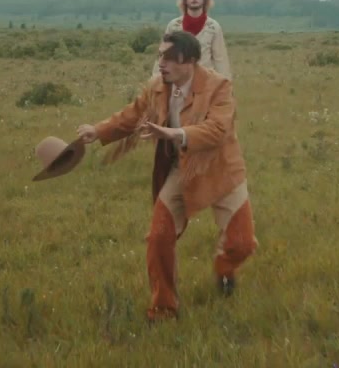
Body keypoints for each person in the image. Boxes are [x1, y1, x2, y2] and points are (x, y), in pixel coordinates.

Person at [77, 30, 256, 322]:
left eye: (170, 57)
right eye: (160, 55)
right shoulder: (157, 87)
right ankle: (163, 308)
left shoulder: (219, 86)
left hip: (221, 170)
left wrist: (175, 134)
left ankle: (224, 267)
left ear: (190, 61)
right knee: (159, 237)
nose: (161, 63)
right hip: (181, 170)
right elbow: (133, 114)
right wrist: (97, 130)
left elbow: (218, 130)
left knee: (242, 244)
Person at [156, 0, 231, 79]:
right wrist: (157, 79)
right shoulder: (174, 26)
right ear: (185, 0)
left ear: (204, 0)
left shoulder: (213, 27)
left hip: (205, 79)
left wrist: (225, 82)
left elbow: (220, 58)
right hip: (179, 78)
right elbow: (164, 53)